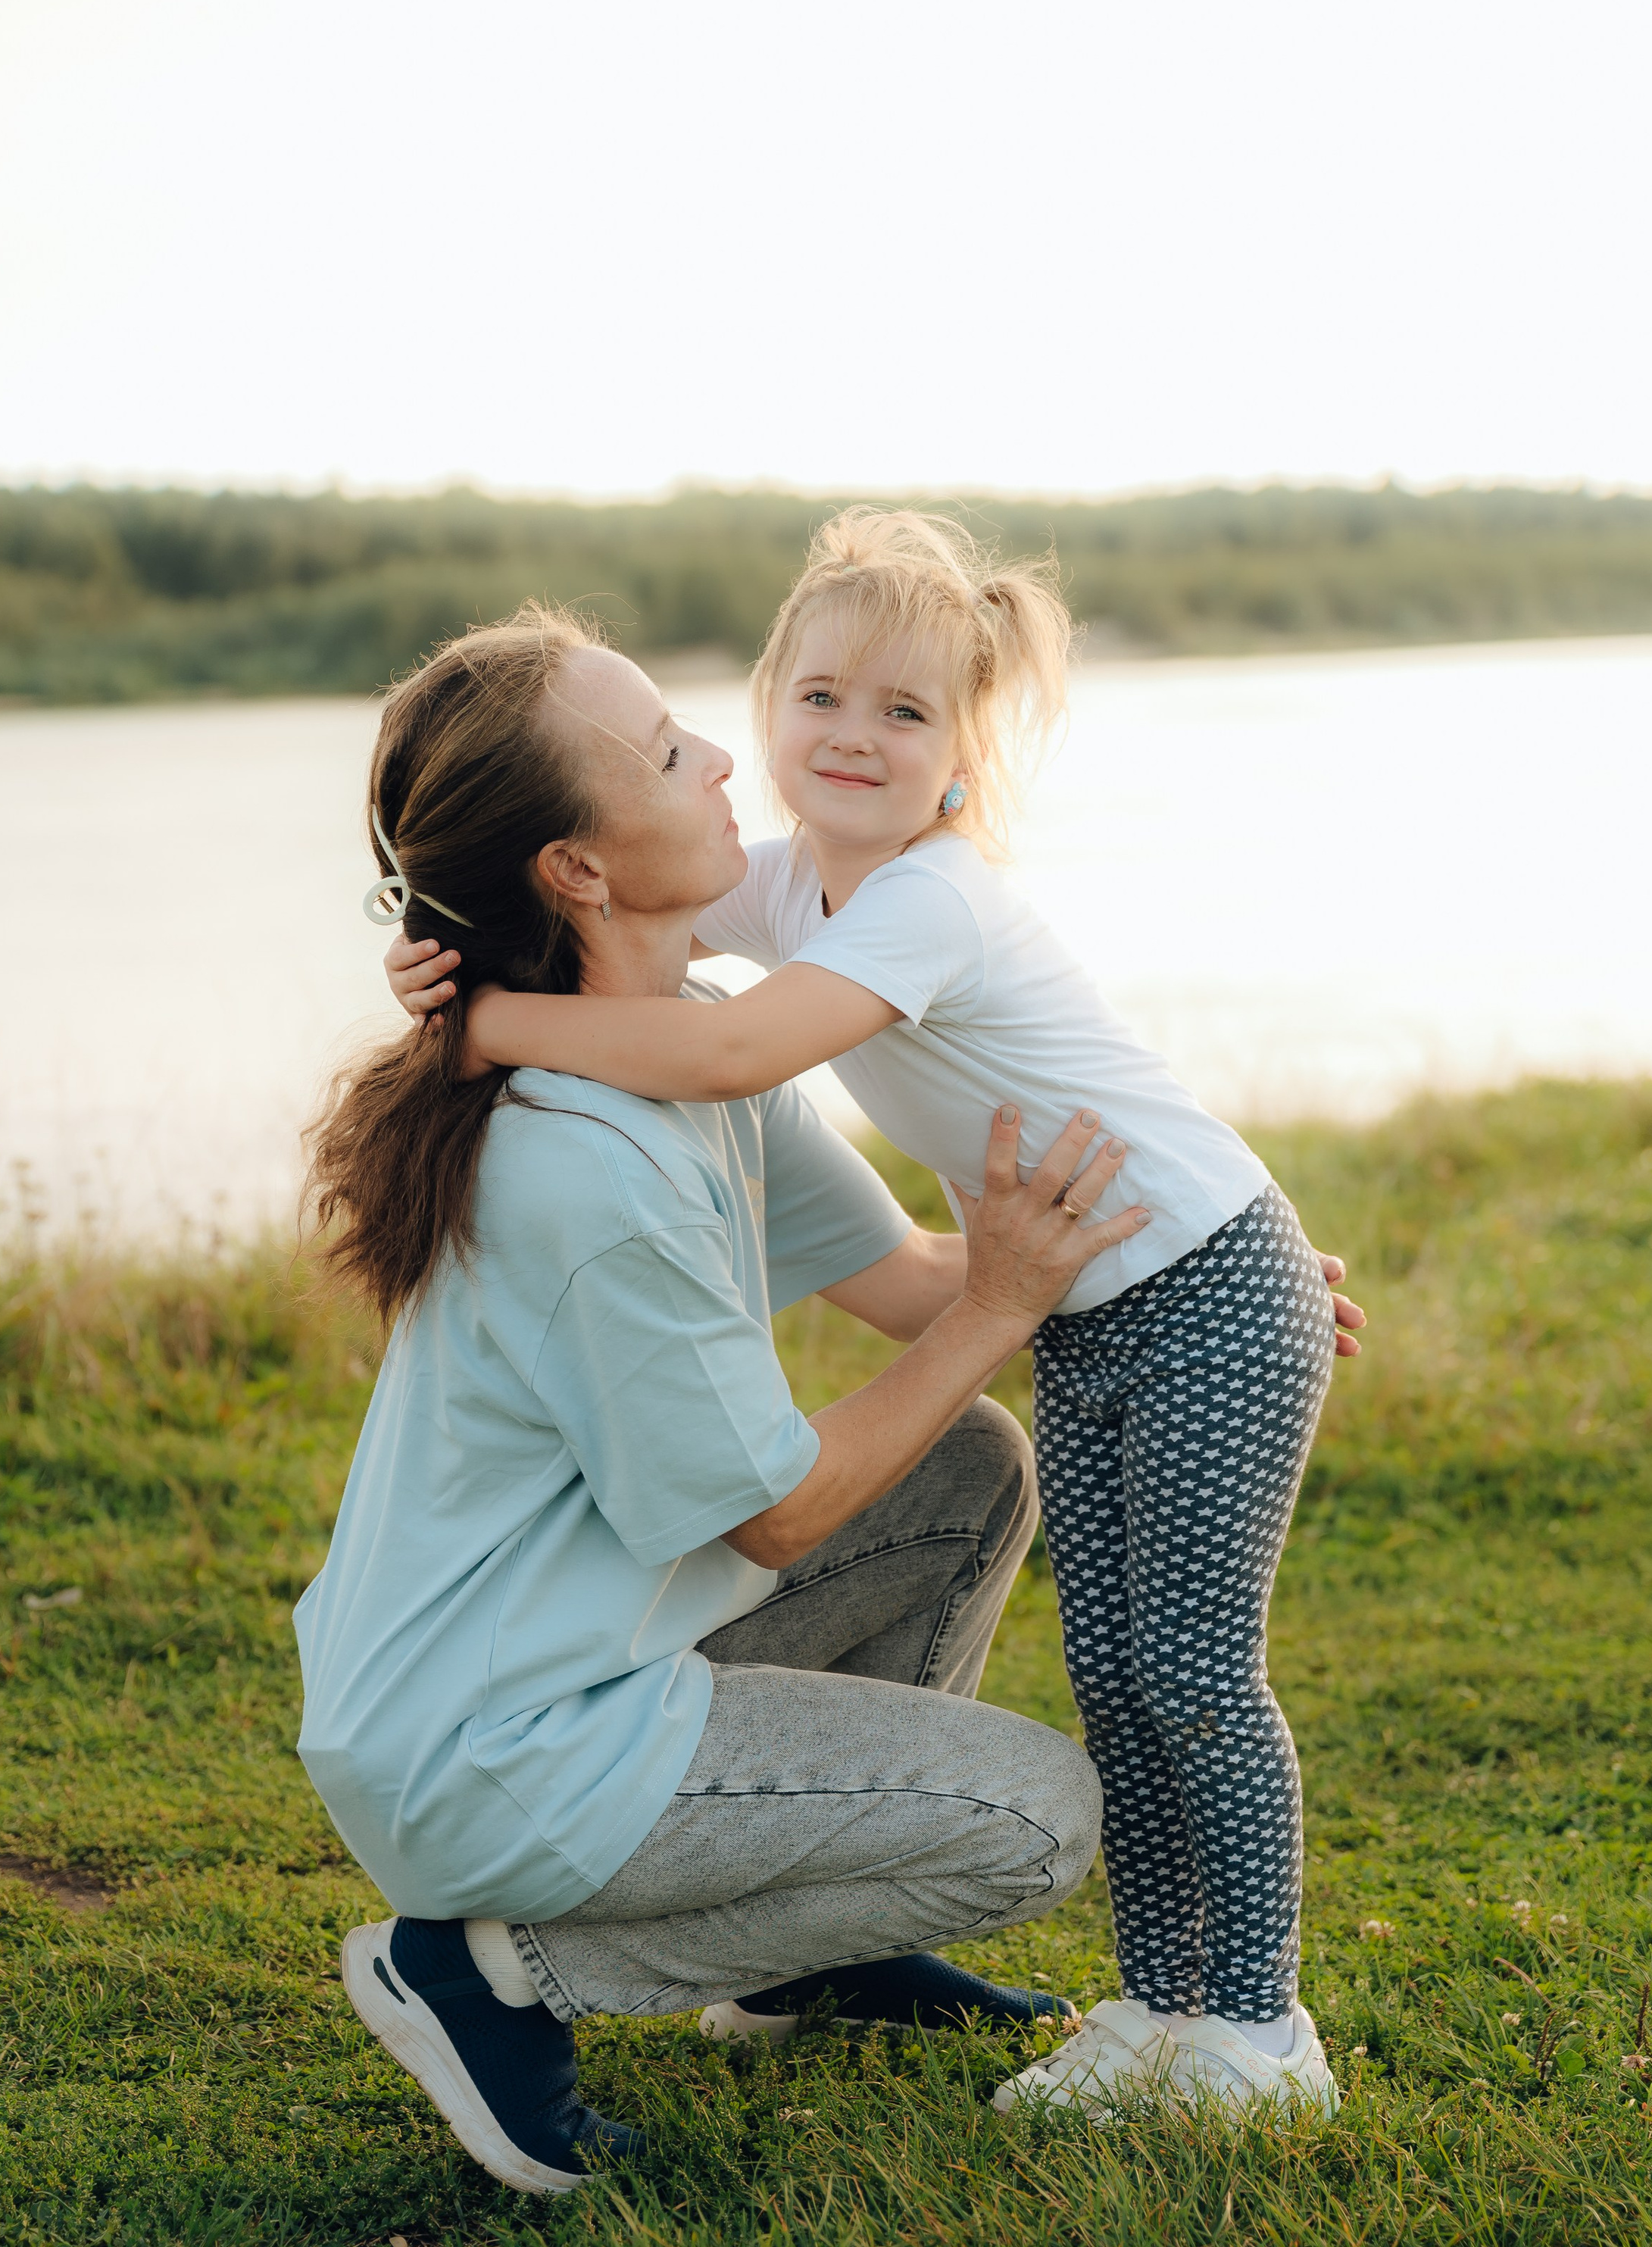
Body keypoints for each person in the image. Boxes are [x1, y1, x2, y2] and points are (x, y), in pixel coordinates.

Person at [387, 511, 1367, 2123]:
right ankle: (1155, 2008)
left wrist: (487, 1024)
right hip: (1097, 1314)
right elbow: (606, 919)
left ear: (963, 760)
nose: (856, 736)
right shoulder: (791, 885)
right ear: (767, 710)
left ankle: (1257, 2032)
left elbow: (719, 1055)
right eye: (822, 695)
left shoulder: (930, 900)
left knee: (1193, 1674)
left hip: (1199, 1290)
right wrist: (435, 963)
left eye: (905, 715)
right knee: (1116, 1676)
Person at [298, 602, 1151, 2196]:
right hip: (489, 1745)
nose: (718, 762)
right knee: (1032, 1825)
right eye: (664, 751)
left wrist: (1173, 1260)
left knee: (962, 1465)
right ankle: (487, 1974)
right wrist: (1002, 1300)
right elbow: (779, 1507)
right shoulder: (575, 1167)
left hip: (567, 1673)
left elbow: (903, 1277)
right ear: (576, 868)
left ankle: (809, 1965)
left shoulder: (687, 1049)